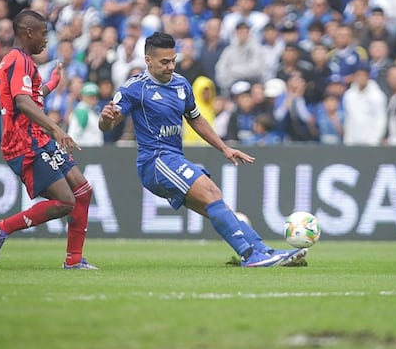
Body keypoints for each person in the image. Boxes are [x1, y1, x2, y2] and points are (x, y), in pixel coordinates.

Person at [99, 32, 306, 267]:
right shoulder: (134, 88)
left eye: (173, 60)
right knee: (212, 192)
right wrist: (106, 119)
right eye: (164, 62)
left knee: (218, 207)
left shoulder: (181, 84)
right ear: (148, 60)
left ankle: (264, 251)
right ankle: (250, 256)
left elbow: (195, 119)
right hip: (155, 161)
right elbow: (108, 124)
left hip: (173, 158)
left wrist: (224, 148)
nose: (170, 66)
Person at [0, 9, 97, 270]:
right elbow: (23, 103)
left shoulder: (20, 61)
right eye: (43, 34)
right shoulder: (19, 60)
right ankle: (2, 227)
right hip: (24, 143)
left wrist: (50, 85)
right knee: (66, 201)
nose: (46, 39)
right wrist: (56, 129)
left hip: (36, 137)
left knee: (83, 191)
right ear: (28, 33)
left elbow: (29, 98)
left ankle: (74, 259)